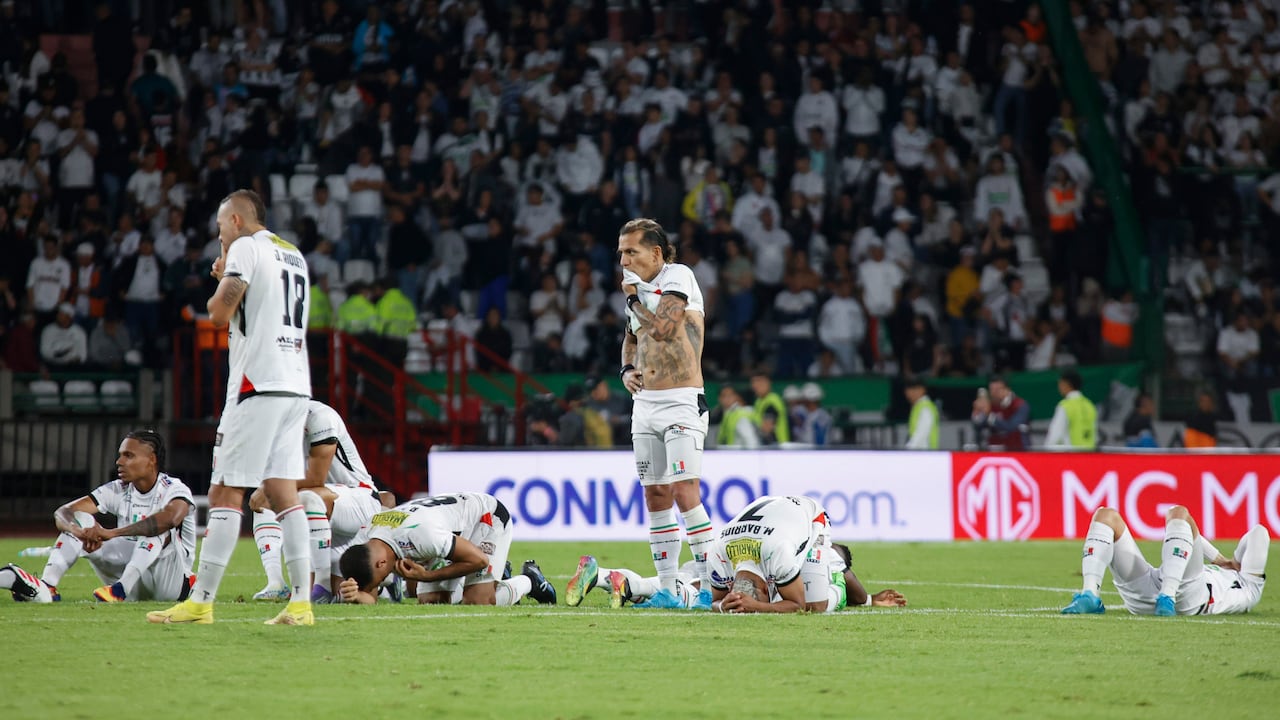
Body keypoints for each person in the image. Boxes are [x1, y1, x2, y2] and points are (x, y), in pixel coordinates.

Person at [147, 190, 315, 626]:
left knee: (224, 490)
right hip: (295, 383)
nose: (218, 234)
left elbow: (220, 313)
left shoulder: (243, 246)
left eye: (221, 226)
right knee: (284, 494)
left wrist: (222, 273)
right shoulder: (293, 253)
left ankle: (200, 602)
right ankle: (301, 603)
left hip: (257, 383)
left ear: (237, 220)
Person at [618, 217, 717, 609]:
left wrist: (632, 298)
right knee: (656, 494)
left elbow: (662, 328)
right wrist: (626, 369)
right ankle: (668, 590)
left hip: (681, 400)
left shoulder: (679, 276)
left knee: (684, 491)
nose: (624, 259)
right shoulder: (636, 293)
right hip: (645, 405)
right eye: (621, 252)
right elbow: (632, 337)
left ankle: (711, 589)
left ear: (655, 253)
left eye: (631, 251)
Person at [1, 430, 195, 603]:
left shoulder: (173, 488)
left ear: (151, 459)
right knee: (80, 518)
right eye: (120, 456)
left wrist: (112, 533)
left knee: (155, 526)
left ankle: (121, 589)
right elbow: (63, 512)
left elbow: (170, 519)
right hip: (134, 581)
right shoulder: (118, 489)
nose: (119, 461)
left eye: (128, 455)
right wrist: (79, 532)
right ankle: (47, 586)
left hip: (171, 584)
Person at [249, 400, 383, 603]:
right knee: (346, 595)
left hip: (358, 500)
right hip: (320, 519)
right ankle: (275, 583)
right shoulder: (273, 429)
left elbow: (316, 477)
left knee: (305, 497)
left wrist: (270, 488)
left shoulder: (320, 417)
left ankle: (323, 586)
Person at [336, 494, 556, 607]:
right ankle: (494, 578)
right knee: (430, 600)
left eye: (378, 580)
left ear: (381, 565)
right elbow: (371, 595)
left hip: (485, 518)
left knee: (478, 602)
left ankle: (529, 580)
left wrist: (427, 575)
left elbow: (477, 560)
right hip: (447, 531)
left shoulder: (422, 535)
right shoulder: (367, 536)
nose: (382, 581)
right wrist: (356, 596)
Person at [706, 495, 907, 613]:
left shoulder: (779, 554)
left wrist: (757, 607)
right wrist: (723, 606)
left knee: (814, 605)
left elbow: (797, 604)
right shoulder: (717, 555)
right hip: (775, 520)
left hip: (811, 517)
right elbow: (717, 600)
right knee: (788, 590)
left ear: (768, 590)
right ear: (730, 584)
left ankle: (833, 560)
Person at [564, 543, 905, 612]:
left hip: (724, 559)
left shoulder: (791, 549)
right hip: (732, 572)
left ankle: (606, 576)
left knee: (672, 586)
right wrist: (871, 599)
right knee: (690, 597)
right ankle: (622, 583)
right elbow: (856, 591)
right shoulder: (827, 557)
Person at [1061, 505, 1269, 617]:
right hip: (1157, 588)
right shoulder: (1245, 585)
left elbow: (1259, 533)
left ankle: (1166, 596)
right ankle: (1089, 595)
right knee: (1106, 516)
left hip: (1193, 599)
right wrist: (1227, 561)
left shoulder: (1251, 587)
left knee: (1179, 512)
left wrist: (1226, 559)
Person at [970, 376, 1030, 450]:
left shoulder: (1020, 405)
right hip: (994, 450)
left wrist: (989, 414)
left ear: (1007, 389)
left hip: (1018, 450)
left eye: (997, 390)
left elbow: (1011, 427)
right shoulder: (990, 405)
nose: (994, 393)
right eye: (991, 390)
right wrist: (977, 413)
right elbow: (978, 427)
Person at [1044, 369, 1098, 449]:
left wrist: (1045, 452)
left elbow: (1055, 435)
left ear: (1066, 384)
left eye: (1060, 383)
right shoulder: (1090, 405)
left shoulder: (1065, 406)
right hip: (1090, 456)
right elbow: (1095, 435)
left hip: (1072, 456)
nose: (1059, 386)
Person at [750, 370, 790, 444]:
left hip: (778, 448)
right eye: (754, 382)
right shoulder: (758, 401)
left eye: (760, 382)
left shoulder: (773, 401)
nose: (756, 385)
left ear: (768, 383)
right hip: (766, 447)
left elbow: (767, 429)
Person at [904, 378, 939, 449]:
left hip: (925, 453)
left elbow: (921, 434)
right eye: (909, 389)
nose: (910, 392)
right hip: (921, 453)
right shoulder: (918, 406)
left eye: (915, 389)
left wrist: (907, 451)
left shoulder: (925, 408)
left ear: (923, 390)